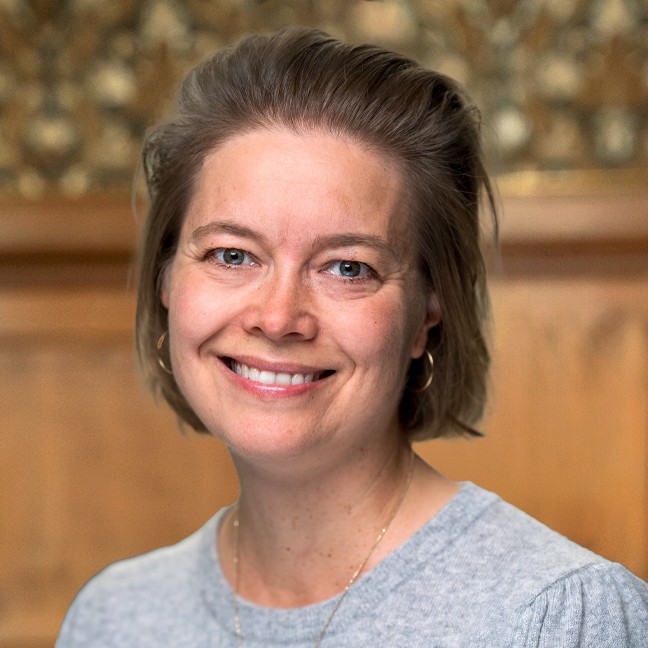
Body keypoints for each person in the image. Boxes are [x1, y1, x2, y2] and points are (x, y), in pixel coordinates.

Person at [57, 27, 648, 647]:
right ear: (166, 281)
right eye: (232, 255)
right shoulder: (112, 619)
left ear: (426, 312)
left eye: (347, 267)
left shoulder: (560, 616)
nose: (278, 317)